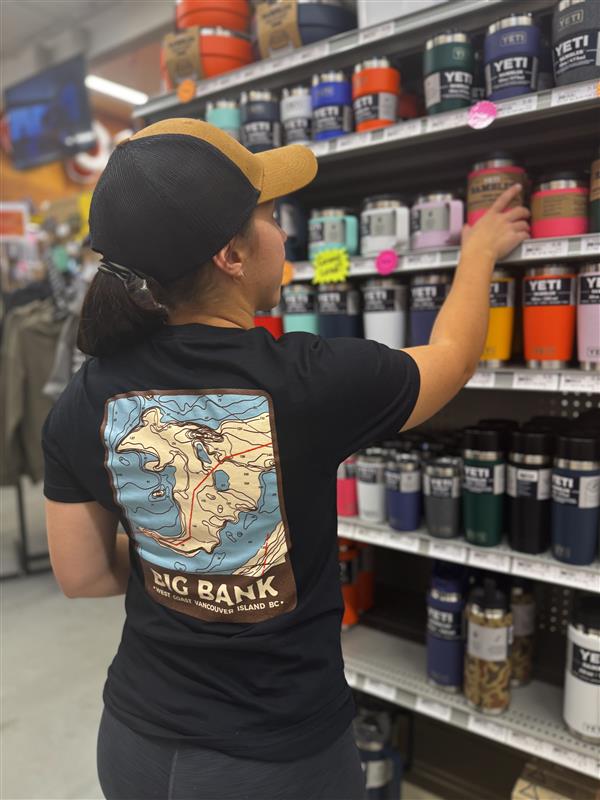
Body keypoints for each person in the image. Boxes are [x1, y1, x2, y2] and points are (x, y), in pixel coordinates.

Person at [42, 118, 530, 800]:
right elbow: (451, 361)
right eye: (270, 215)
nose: (284, 231)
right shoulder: (310, 381)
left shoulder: (80, 399)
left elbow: (83, 575)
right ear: (231, 256)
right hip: (277, 760)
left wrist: (185, 554)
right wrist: (478, 255)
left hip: (135, 744)